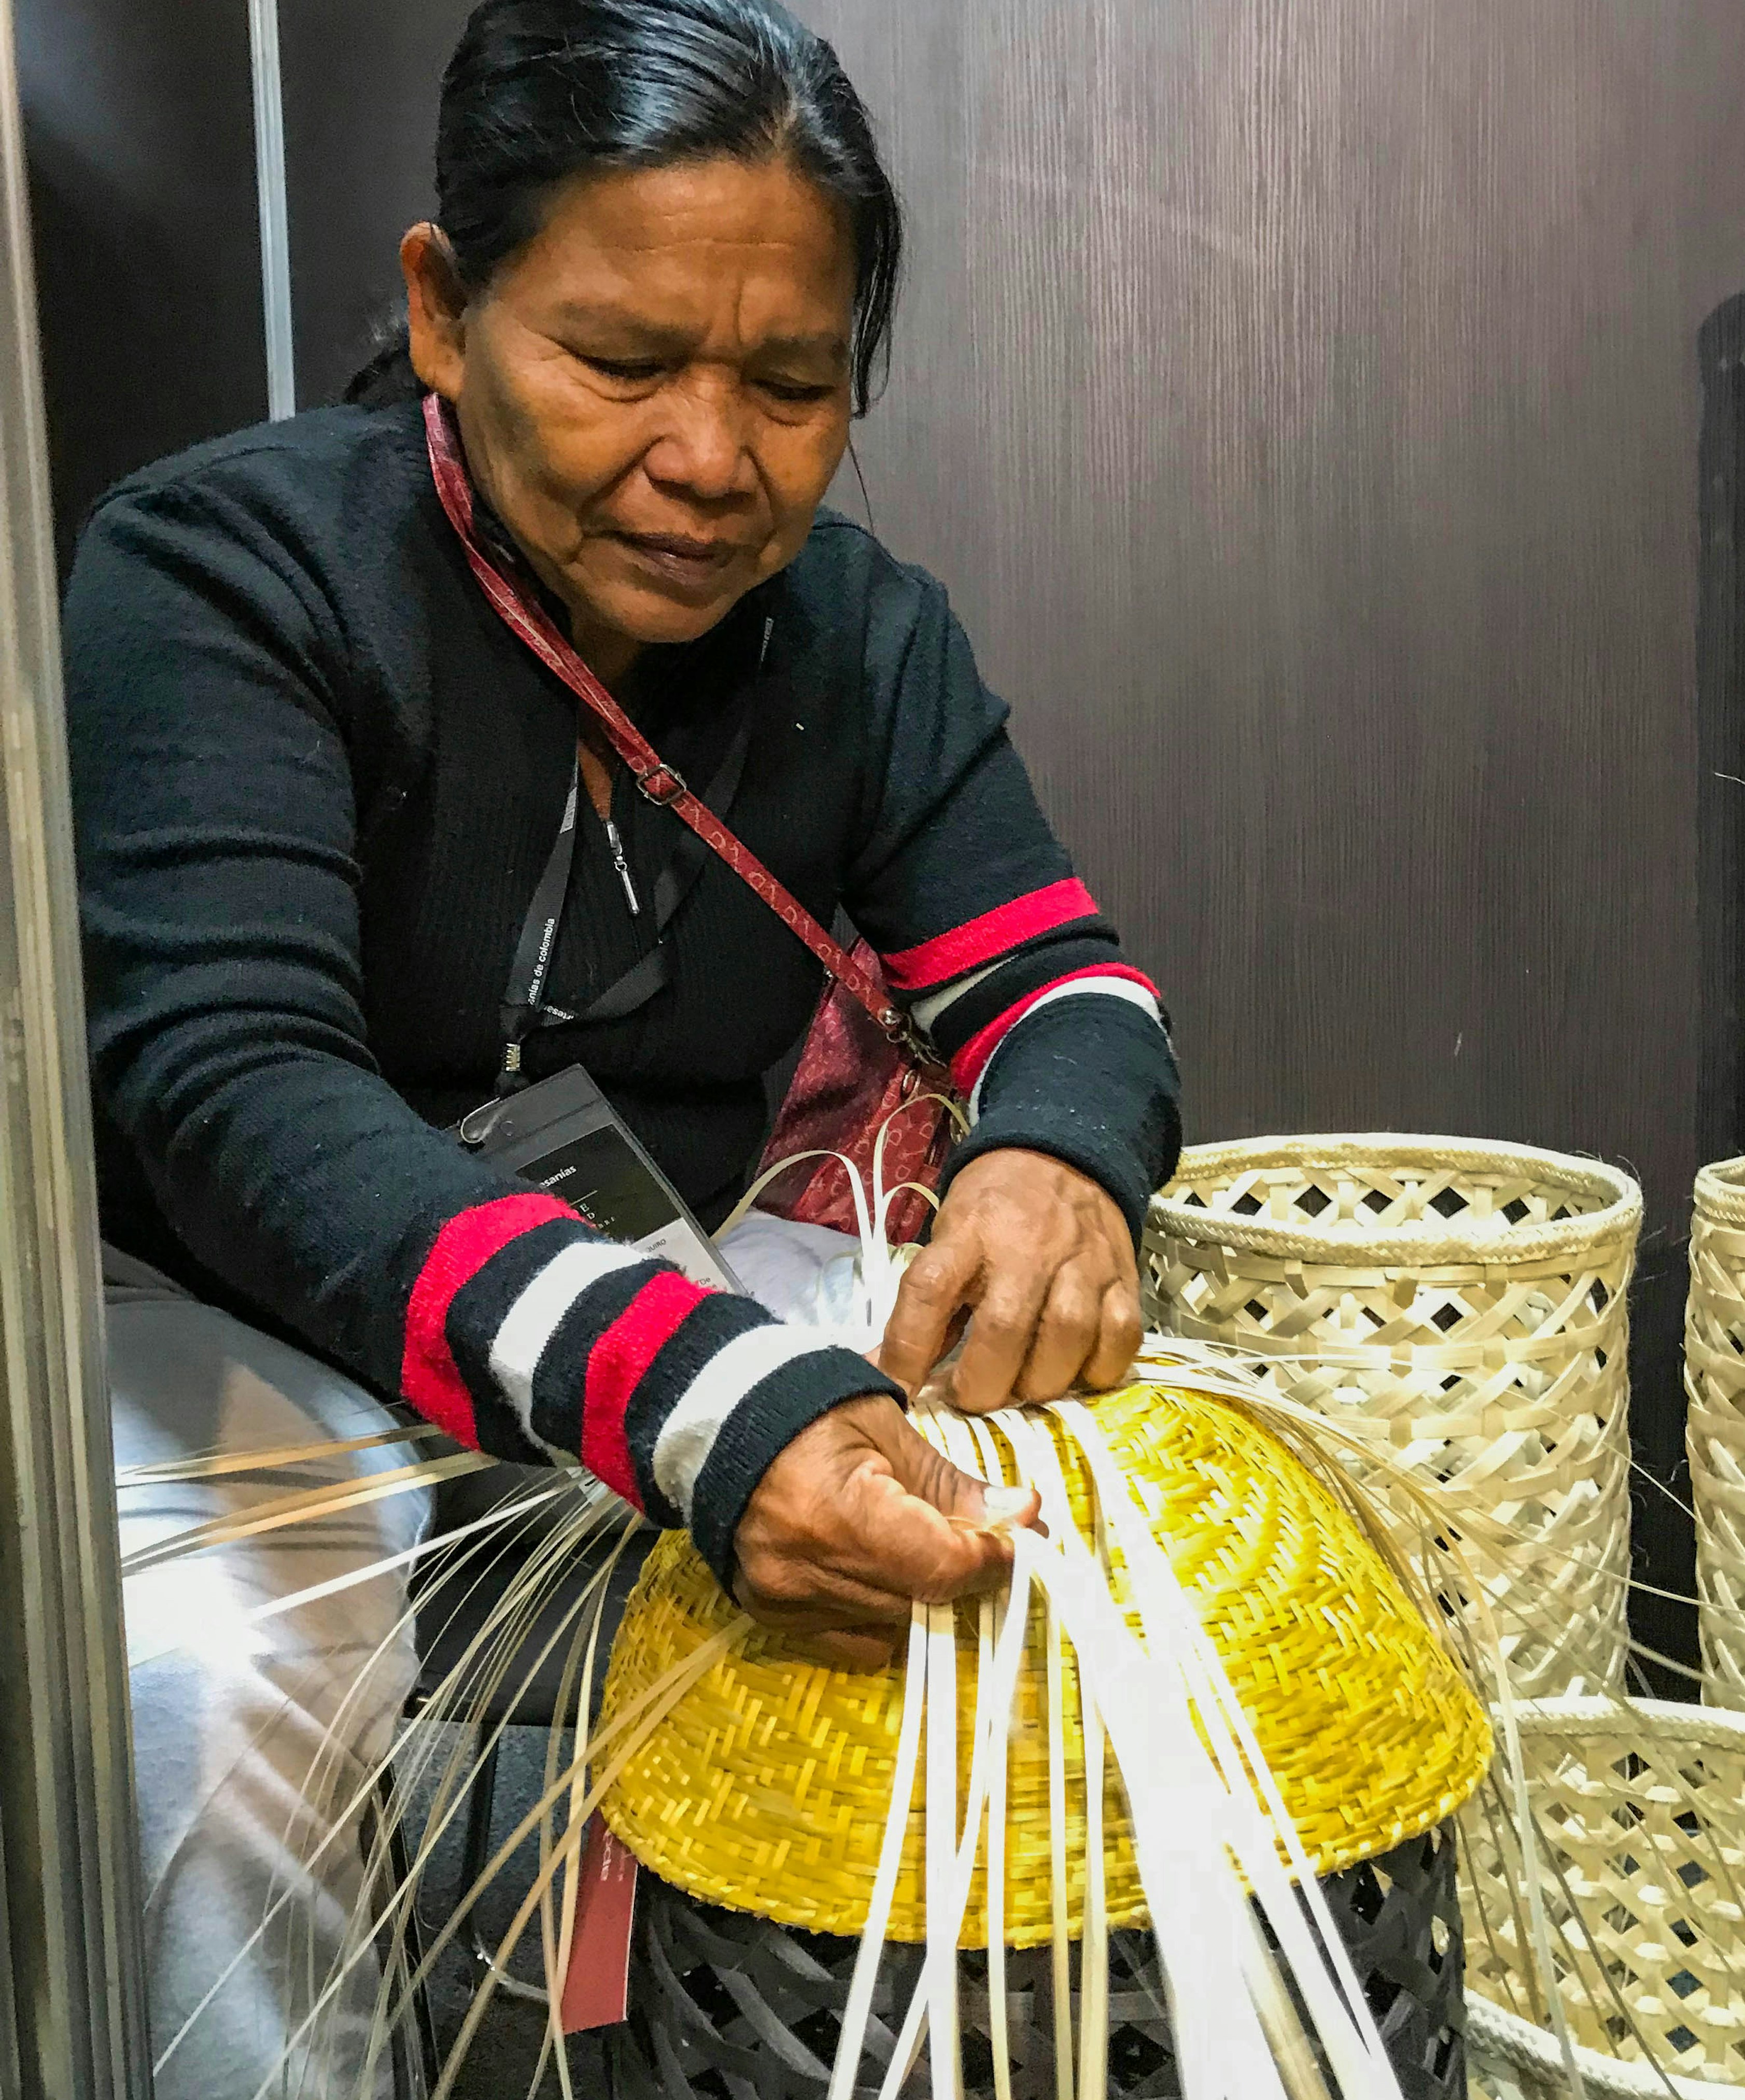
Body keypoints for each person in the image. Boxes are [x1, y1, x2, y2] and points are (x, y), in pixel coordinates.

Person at [63, 0, 1180, 2090]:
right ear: (437, 306)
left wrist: (1055, 1162)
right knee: (221, 1665)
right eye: (620, 358)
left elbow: (1066, 980)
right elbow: (238, 1091)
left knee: (1046, 1500)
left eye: (793, 382)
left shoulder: (861, 629)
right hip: (234, 1304)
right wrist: (703, 1398)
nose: (709, 458)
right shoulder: (222, 568)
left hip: (652, 1276)